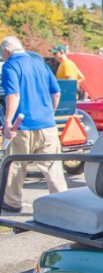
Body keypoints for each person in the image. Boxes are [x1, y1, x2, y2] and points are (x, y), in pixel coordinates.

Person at [1, 36, 68, 213]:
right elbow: (56, 93)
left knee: (15, 164)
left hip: (22, 126)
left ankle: (13, 202)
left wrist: (7, 122)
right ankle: (63, 202)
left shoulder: (10, 66)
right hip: (47, 125)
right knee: (53, 166)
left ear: (6, 51)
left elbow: (13, 95)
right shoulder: (40, 64)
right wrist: (50, 113)